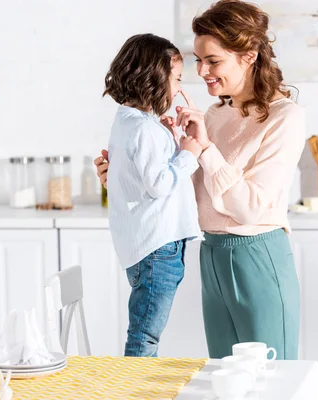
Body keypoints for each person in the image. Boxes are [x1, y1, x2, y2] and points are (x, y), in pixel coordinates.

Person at [96, 0, 305, 359]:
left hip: (258, 254)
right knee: (225, 377)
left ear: (249, 55)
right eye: (198, 59)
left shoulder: (285, 117)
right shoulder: (214, 113)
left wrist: (204, 150)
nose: (202, 70)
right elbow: (188, 194)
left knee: (272, 379)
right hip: (212, 254)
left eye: (213, 60)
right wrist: (127, 176)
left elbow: (250, 208)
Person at [103, 33, 203, 357]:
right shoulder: (145, 128)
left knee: (145, 332)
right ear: (153, 77)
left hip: (145, 246)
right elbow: (159, 184)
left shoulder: (129, 121)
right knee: (145, 336)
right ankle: (137, 391)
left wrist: (169, 138)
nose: (179, 89)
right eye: (176, 79)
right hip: (158, 248)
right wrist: (189, 152)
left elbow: (140, 174)